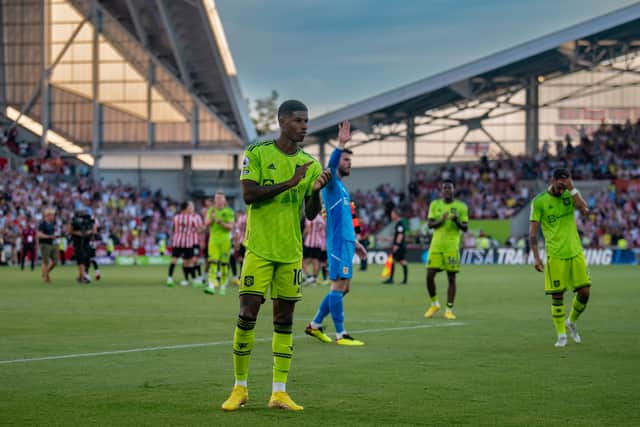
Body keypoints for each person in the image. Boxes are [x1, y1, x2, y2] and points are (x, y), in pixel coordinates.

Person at [221, 100, 330, 412]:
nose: (305, 126)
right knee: (247, 314)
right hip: (259, 248)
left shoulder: (310, 163)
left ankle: (279, 392)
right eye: (298, 121)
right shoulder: (257, 153)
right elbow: (249, 195)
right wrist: (290, 182)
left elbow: (310, 215)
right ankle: (240, 387)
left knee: (284, 320)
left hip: (290, 252)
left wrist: (316, 189)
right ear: (283, 121)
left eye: (307, 121)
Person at [305, 120, 367, 346]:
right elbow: (330, 166)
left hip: (347, 242)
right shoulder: (331, 183)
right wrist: (340, 144)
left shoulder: (342, 188)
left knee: (345, 288)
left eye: (351, 160)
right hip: (338, 243)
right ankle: (341, 334)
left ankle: (315, 325)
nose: (349, 163)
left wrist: (357, 243)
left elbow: (348, 220)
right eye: (346, 159)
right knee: (338, 286)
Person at [529, 168, 591, 348]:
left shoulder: (569, 194)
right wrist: (536, 257)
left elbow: (586, 211)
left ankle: (571, 321)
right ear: (552, 180)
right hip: (555, 254)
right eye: (560, 184)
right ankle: (561, 335)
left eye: (565, 185)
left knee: (585, 292)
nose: (562, 188)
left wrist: (573, 190)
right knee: (557, 295)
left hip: (575, 251)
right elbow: (532, 233)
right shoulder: (539, 201)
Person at [424, 179, 469, 320]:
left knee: (451, 277)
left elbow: (465, 227)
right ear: (441, 190)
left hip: (451, 246)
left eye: (450, 188)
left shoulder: (461, 207)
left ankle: (449, 309)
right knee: (429, 275)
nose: (447, 190)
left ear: (454, 189)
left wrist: (456, 221)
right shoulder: (435, 204)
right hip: (436, 245)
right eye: (445, 188)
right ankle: (434, 304)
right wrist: (441, 221)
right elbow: (430, 224)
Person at [204, 191, 235, 295]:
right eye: (216, 198)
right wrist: (212, 219)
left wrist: (221, 223)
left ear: (224, 200)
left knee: (224, 264)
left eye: (220, 198)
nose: (218, 201)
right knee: (212, 262)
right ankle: (211, 285)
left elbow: (230, 227)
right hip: (213, 240)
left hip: (225, 240)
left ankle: (223, 285)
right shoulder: (211, 211)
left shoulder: (229, 211)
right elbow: (206, 224)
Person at [167, 201, 203, 287]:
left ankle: (169, 279)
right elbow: (199, 230)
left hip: (177, 242)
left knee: (174, 260)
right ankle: (194, 280)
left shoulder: (176, 217)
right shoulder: (192, 218)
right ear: (186, 208)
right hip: (188, 243)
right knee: (189, 262)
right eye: (189, 207)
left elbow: (173, 229)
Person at [382, 207, 408, 284]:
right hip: (401, 246)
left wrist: (396, 245)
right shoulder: (399, 224)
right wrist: (386, 239)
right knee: (402, 261)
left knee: (394, 261)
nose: (391, 215)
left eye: (392, 214)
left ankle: (391, 279)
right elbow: (396, 236)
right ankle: (404, 280)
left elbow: (400, 235)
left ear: (396, 215)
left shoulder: (400, 224)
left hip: (399, 246)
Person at [70, 209, 94, 284]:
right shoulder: (75, 220)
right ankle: (83, 277)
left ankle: (81, 276)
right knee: (81, 259)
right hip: (78, 243)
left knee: (87, 259)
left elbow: (93, 230)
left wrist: (88, 232)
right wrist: (78, 233)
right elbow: (70, 231)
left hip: (86, 242)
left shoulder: (89, 220)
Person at [301, 213, 325, 286]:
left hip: (309, 242)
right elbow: (323, 232)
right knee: (316, 260)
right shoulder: (320, 218)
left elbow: (307, 229)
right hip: (318, 242)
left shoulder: (309, 217)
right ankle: (314, 279)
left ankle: (309, 277)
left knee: (303, 260)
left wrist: (302, 236)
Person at [37, 208, 58, 283]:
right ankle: (46, 278)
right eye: (52, 215)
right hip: (45, 243)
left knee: (55, 261)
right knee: (45, 261)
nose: (53, 217)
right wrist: (49, 236)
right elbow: (39, 235)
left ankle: (45, 273)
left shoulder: (52, 223)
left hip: (52, 243)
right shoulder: (42, 224)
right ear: (47, 216)